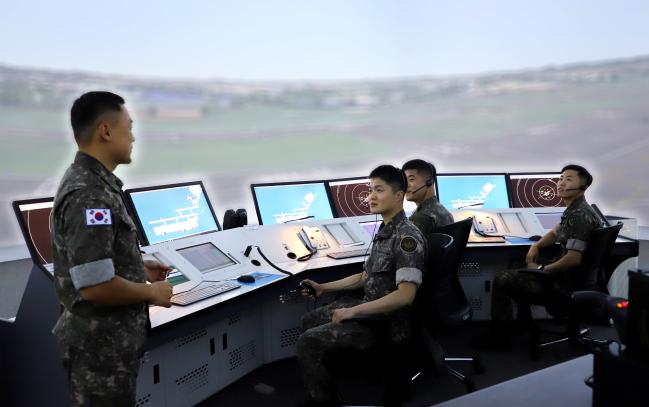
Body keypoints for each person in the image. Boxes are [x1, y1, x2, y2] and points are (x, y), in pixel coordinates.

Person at [51, 91, 173, 406]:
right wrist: (151, 292)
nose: (133, 137)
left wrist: (138, 267)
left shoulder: (98, 185)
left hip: (108, 343)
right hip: (99, 349)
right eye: (128, 127)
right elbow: (94, 286)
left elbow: (99, 260)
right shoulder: (89, 194)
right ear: (106, 131)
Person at [296, 165, 426, 406]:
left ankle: (323, 400)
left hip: (386, 324)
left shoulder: (407, 237)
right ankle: (326, 381)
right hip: (370, 310)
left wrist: (352, 311)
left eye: (379, 190)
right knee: (308, 321)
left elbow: (406, 296)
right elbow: (364, 277)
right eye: (370, 190)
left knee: (308, 340)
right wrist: (324, 287)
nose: (370, 197)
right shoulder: (386, 230)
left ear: (399, 196)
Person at [472, 164, 602, 350]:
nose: (561, 183)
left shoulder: (579, 216)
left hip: (566, 284)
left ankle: (501, 336)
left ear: (583, 186)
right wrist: (536, 245)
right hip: (575, 278)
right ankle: (523, 324)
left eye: (569, 179)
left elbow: (573, 259)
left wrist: (541, 269)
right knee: (516, 263)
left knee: (502, 278)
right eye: (561, 178)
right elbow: (555, 233)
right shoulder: (576, 210)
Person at [402, 159, 454, 236]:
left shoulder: (421, 218)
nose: (406, 185)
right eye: (405, 181)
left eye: (411, 179)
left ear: (429, 182)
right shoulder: (443, 211)